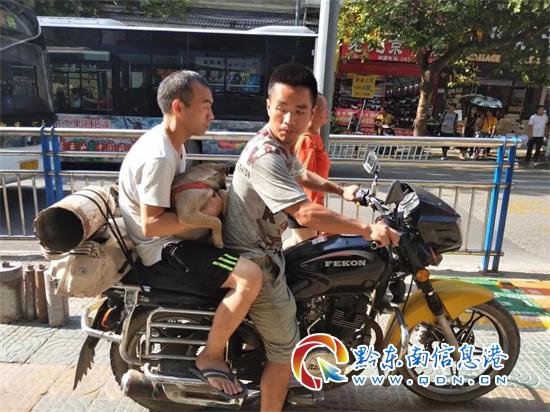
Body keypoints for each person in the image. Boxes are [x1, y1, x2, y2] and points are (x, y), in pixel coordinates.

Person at [223, 63, 400, 412]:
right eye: (282, 109)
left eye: (299, 111)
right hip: (255, 257)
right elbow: (304, 213)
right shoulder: (267, 156)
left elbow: (301, 174)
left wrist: (341, 190)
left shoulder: (280, 145)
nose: (289, 120)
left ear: (311, 112)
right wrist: (367, 229)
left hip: (266, 248)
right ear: (268, 106)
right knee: (285, 352)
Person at [118, 70, 262, 398]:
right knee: (249, 277)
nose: (212, 114)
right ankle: (209, 356)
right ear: (179, 107)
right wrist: (209, 216)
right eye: (205, 105)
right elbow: (151, 224)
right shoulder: (158, 155)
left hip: (172, 241)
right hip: (163, 251)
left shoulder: (174, 145)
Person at [283, 93, 331, 248]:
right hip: (304, 206)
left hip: (307, 205)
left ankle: (272, 260)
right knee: (309, 249)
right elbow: (305, 180)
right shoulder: (307, 140)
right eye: (324, 108)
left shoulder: (313, 138)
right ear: (313, 111)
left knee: (297, 244)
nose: (328, 112)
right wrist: (317, 214)